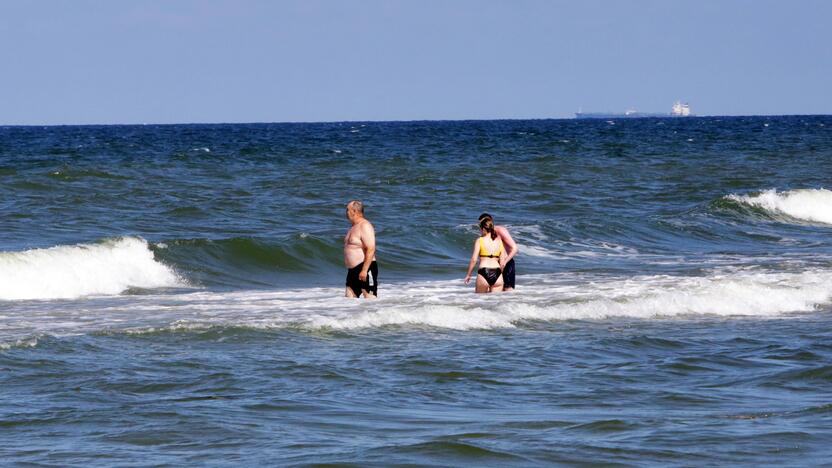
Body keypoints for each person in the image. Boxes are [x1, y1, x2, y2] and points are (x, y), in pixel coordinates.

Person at [344, 200, 378, 298]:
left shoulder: (365, 225)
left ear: (354, 211)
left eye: (347, 210)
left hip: (366, 268)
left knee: (369, 299)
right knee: (349, 301)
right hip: (352, 271)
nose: (346, 212)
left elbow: (371, 248)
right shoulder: (353, 227)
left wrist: (364, 270)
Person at [477, 213, 518, 291]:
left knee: (507, 290)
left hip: (506, 262)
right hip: (495, 265)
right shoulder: (484, 234)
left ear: (490, 221)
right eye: (480, 224)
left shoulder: (500, 230)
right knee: (492, 291)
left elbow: (514, 248)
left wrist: (505, 262)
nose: (482, 226)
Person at [464, 218, 506, 293]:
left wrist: (468, 275)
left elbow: (474, 259)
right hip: (497, 272)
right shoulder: (499, 241)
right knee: (496, 303)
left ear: (483, 229)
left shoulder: (480, 240)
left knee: (479, 302)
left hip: (484, 272)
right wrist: (500, 275)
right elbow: (502, 263)